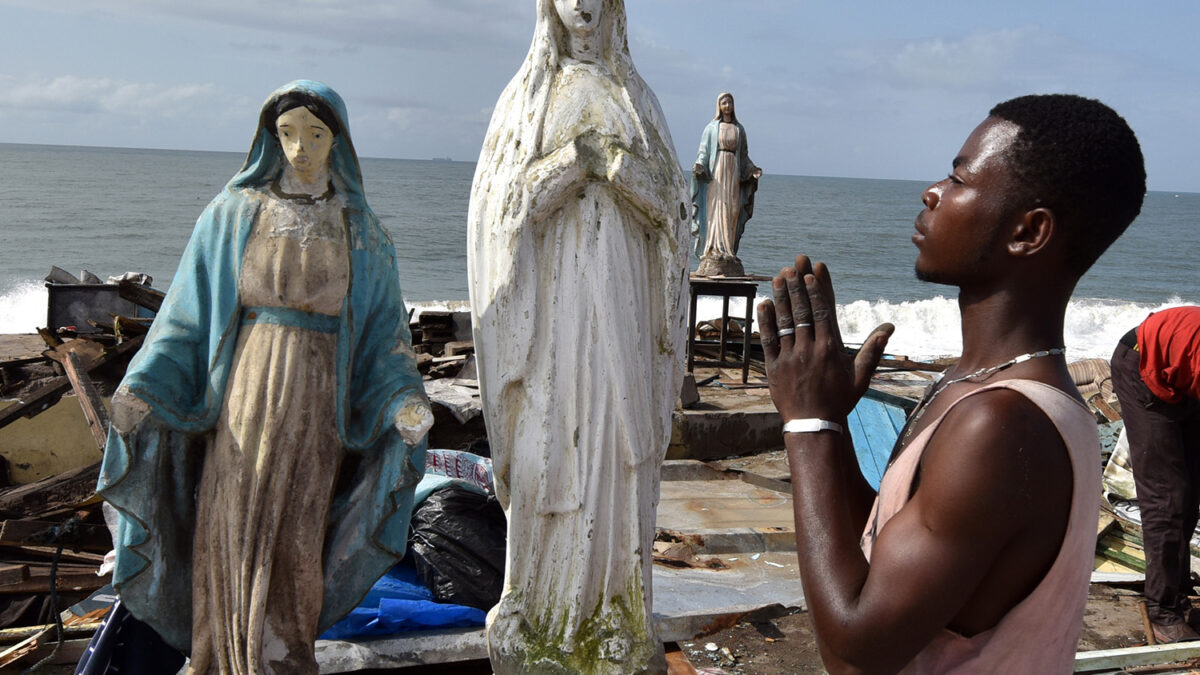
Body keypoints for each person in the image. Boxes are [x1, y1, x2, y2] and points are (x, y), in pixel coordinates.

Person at [758, 94, 1145, 672]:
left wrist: (807, 425)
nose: (931, 192)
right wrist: (833, 427)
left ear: (1028, 231)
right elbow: (884, 553)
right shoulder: (976, 386)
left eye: (959, 178)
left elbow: (854, 649)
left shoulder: (1001, 424)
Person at [97, 80, 431, 674]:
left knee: (299, 535)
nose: (301, 147)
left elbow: (386, 339)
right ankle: (219, 658)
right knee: (231, 521)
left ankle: (282, 658)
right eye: (288, 133)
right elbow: (184, 317)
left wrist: (404, 399)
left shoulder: (361, 229)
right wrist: (142, 387)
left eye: (316, 133)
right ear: (270, 138)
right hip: (244, 395)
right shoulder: (232, 214)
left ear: (339, 140)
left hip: (316, 404)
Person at [467, 0, 689, 672]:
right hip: (550, 318)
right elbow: (496, 214)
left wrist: (618, 170)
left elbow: (677, 211)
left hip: (619, 305)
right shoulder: (526, 99)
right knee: (544, 451)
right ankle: (535, 605)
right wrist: (572, 163)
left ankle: (615, 610)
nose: (583, 7)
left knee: (618, 451)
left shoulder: (636, 98)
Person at [1110, 306, 1200, 643]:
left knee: (1190, 488)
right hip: (1142, 366)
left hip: (1180, 372)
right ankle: (1163, 612)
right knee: (1168, 496)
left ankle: (1176, 589)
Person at [691, 92, 761, 277]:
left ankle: (728, 251)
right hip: (717, 172)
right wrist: (699, 165)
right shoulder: (712, 128)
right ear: (719, 105)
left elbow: (744, 155)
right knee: (717, 208)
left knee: (733, 209)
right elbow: (703, 151)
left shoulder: (739, 129)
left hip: (734, 172)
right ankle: (714, 250)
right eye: (724, 102)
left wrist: (752, 169)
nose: (727, 105)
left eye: (730, 101)